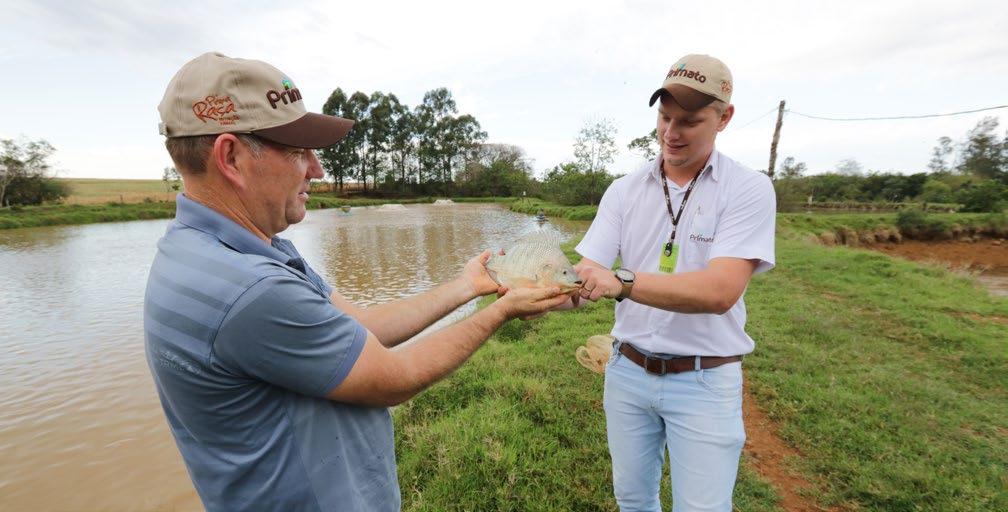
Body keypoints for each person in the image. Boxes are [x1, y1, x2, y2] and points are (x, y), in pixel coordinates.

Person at [144, 52, 569, 512]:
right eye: (296, 150)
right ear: (231, 156)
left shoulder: (222, 250)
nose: (317, 169)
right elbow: (395, 378)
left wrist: (468, 286)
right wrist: (502, 311)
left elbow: (359, 325)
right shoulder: (250, 290)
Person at [572, 54, 777, 511]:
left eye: (688, 120)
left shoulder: (747, 189)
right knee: (633, 500)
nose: (671, 132)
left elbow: (719, 291)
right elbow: (586, 276)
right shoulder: (624, 190)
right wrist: (530, 287)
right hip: (626, 372)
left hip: (704, 377)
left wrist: (622, 281)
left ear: (724, 118)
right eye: (664, 117)